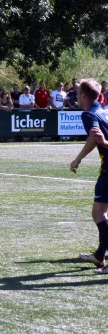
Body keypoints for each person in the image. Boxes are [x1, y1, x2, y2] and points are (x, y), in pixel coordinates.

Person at [70, 79, 108, 274]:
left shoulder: (88, 114)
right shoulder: (104, 109)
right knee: (100, 212)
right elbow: (96, 137)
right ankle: (100, 255)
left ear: (84, 96)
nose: (76, 97)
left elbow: (96, 137)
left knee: (99, 213)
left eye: (77, 94)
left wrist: (77, 159)